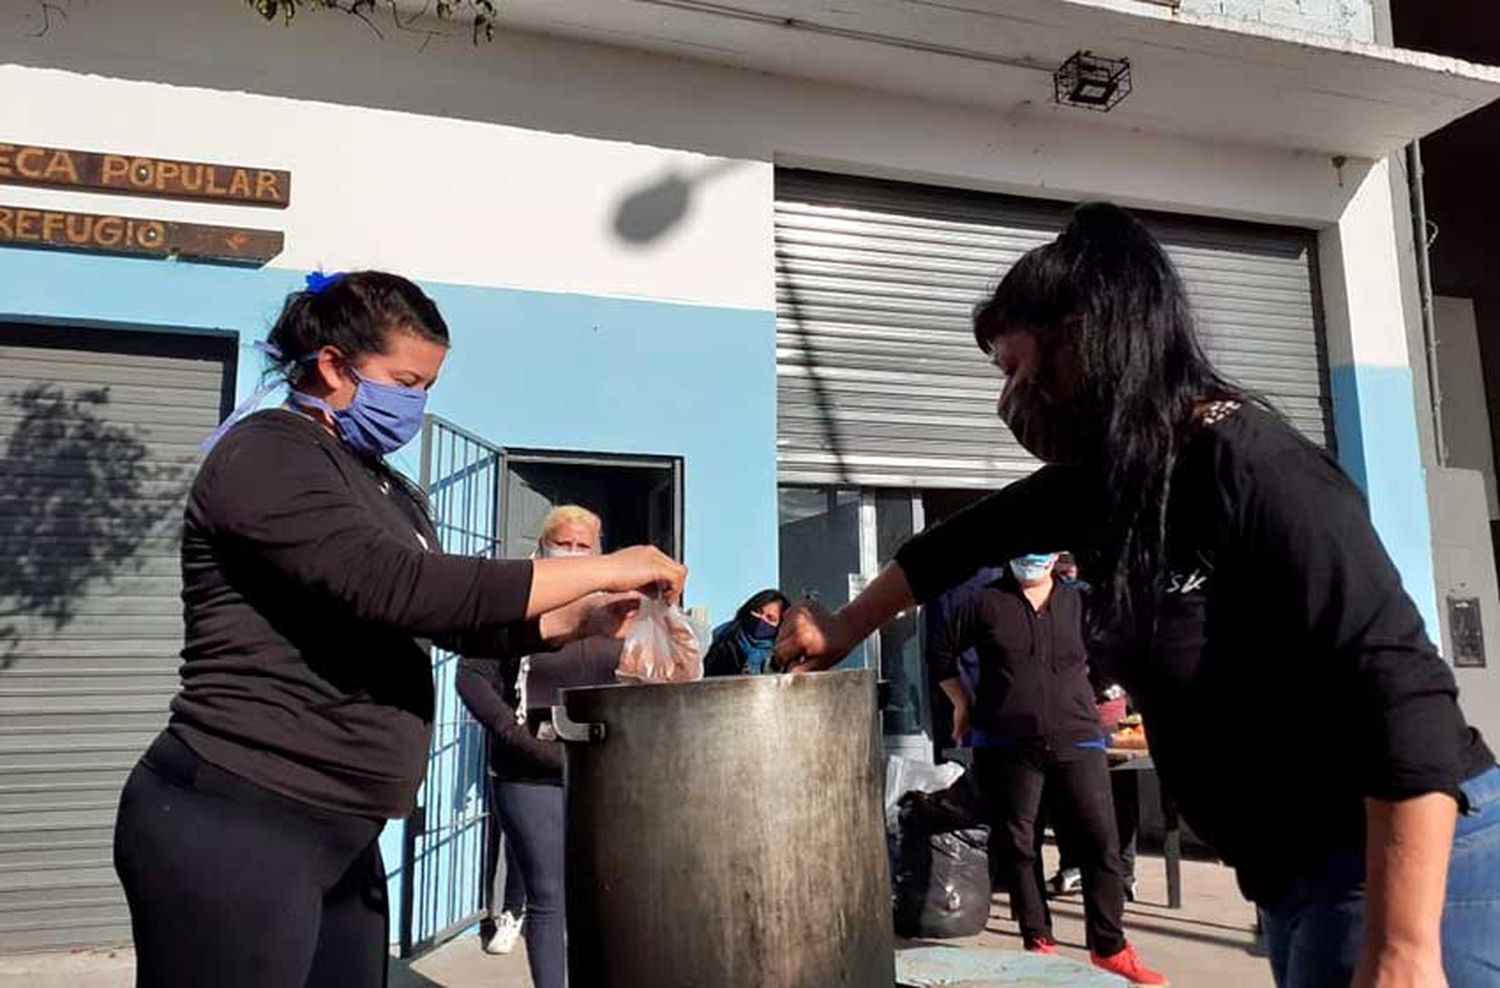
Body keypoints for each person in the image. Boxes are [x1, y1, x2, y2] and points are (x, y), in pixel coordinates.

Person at [774, 203, 1500, 988]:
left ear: (1088, 337)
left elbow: (1404, 694)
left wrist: (1403, 950)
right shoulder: (1110, 484)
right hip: (1296, 881)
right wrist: (846, 625)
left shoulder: (1253, 466)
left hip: (1408, 870)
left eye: (1020, 368)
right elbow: (957, 543)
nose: (1009, 400)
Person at [111, 271, 686, 988]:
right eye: (405, 381)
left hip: (341, 830)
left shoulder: (382, 484)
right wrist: (603, 566)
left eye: (427, 387)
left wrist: (587, 619)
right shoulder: (267, 455)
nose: (414, 404)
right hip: (244, 814)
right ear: (331, 366)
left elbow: (446, 617)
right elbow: (397, 584)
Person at [930, 551, 1166, 983]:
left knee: (1100, 841)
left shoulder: (1082, 601)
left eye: (1042, 548)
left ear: (1057, 555)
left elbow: (1115, 648)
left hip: (1078, 737)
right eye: (1023, 548)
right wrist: (960, 702)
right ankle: (1037, 941)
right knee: (1020, 846)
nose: (1032, 557)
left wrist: (1107, 694)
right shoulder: (983, 601)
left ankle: (1109, 946)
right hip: (1005, 742)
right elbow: (940, 652)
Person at [457, 504, 623, 988]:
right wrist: (512, 733)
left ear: (599, 551)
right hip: (530, 768)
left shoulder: (617, 601)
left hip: (604, 769)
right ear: (544, 545)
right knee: (549, 896)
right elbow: (472, 678)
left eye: (583, 546)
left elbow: (647, 670)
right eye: (563, 543)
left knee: (602, 893)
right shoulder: (515, 599)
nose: (572, 553)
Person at [702, 588, 789, 676]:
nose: (762, 619)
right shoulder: (723, 635)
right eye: (758, 612)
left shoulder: (781, 654)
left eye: (770, 618)